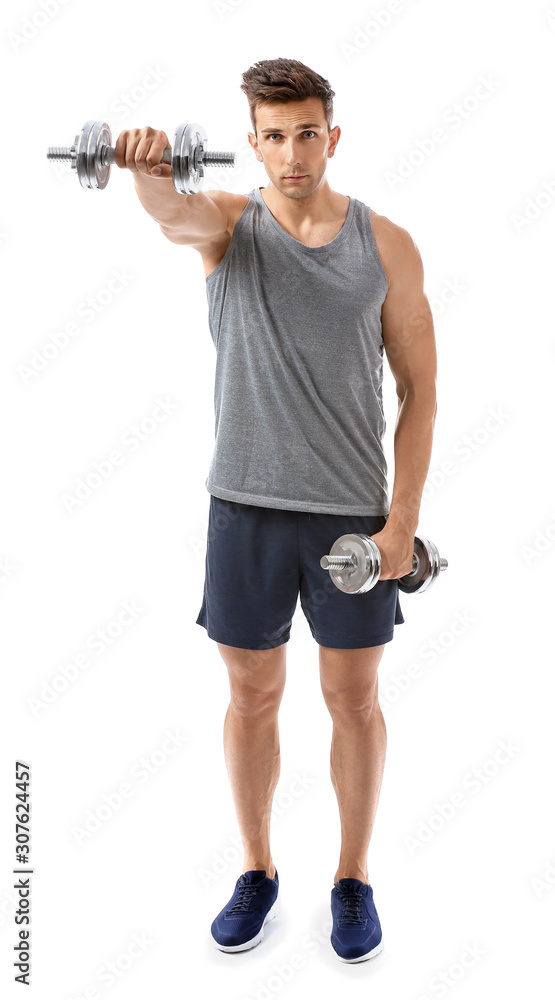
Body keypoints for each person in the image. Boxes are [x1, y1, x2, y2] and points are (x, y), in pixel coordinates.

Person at [115, 56, 438, 963]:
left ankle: (352, 878)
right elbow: (173, 212)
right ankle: (257, 869)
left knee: (353, 697)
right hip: (244, 510)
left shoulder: (388, 245)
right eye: (273, 135)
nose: (291, 152)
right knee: (251, 695)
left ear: (330, 138)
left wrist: (400, 523)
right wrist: (147, 169)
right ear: (249, 142)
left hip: (352, 518)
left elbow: (421, 390)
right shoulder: (227, 224)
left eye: (306, 133)